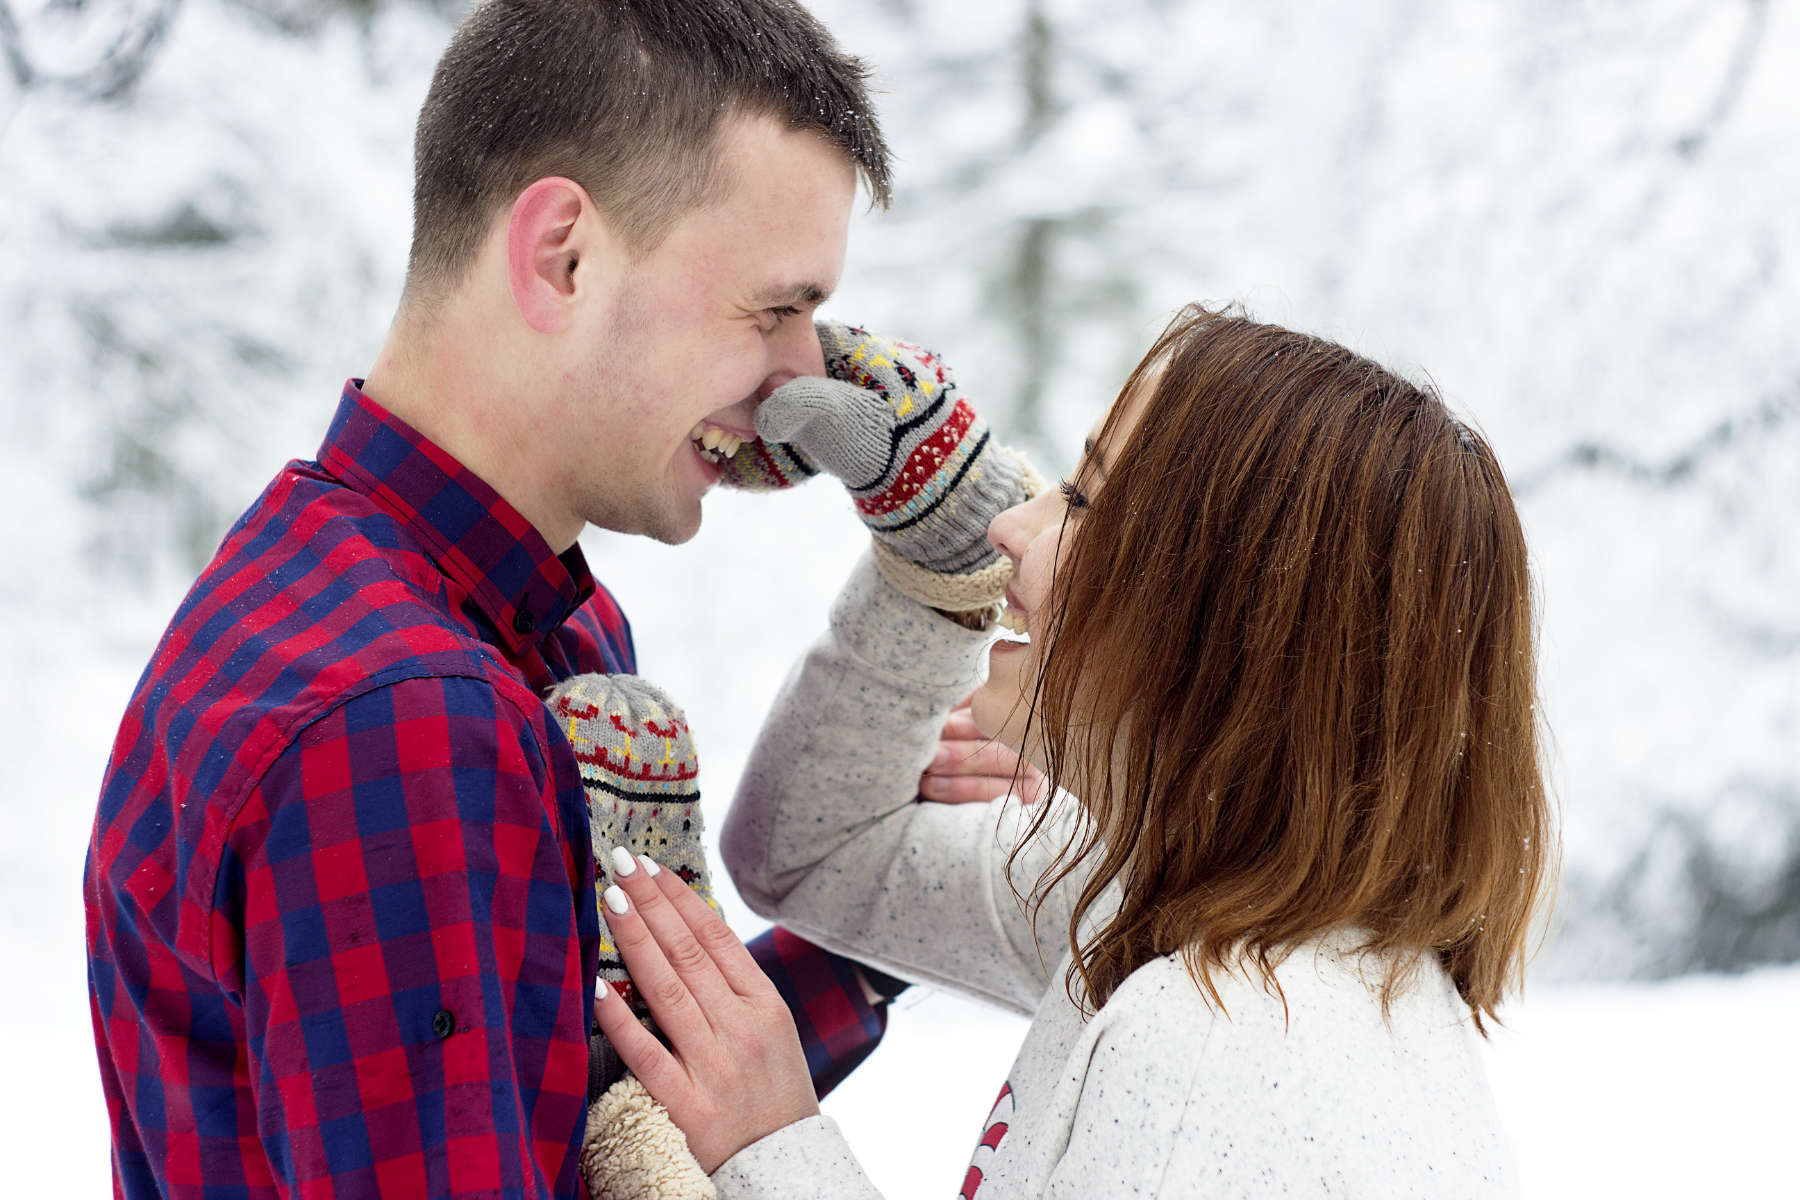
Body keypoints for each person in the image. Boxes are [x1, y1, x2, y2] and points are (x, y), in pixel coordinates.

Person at [82, 2, 1033, 1196]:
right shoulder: (405, 724)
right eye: (773, 309)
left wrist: (877, 903)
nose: (805, 373)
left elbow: (563, 1106)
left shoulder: (521, 626)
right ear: (562, 256)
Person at [590, 305, 1556, 1196]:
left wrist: (772, 1148)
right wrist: (934, 558)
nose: (1011, 526)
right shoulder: (1166, 900)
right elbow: (813, 854)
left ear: (1226, 622)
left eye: (1085, 500)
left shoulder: (1220, 1043)